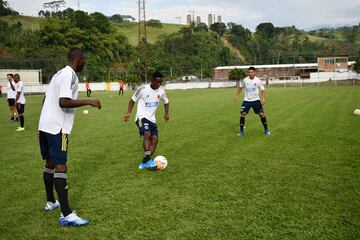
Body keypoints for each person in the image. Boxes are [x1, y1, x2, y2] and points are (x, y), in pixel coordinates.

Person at [38, 48, 101, 226]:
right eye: (84, 60)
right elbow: (63, 101)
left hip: (46, 125)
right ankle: (66, 214)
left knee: (49, 163)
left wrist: (41, 125)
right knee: (60, 166)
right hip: (59, 128)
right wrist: (89, 101)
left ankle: (51, 202)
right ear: (79, 59)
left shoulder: (58, 74)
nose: (84, 63)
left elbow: (46, 99)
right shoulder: (70, 75)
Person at [123, 71, 169, 169]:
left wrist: (166, 113)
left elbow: (166, 102)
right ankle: (149, 159)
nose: (159, 84)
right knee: (147, 134)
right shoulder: (142, 89)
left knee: (155, 140)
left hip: (152, 119)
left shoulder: (161, 91)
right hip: (141, 117)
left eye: (160, 82)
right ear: (152, 80)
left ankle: (144, 162)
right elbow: (132, 100)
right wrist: (129, 112)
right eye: (157, 82)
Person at [234, 66, 270, 136]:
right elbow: (240, 87)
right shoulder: (245, 80)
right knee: (243, 114)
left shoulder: (258, 80)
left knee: (261, 114)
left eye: (251, 72)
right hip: (247, 101)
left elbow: (263, 90)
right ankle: (241, 131)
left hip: (256, 100)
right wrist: (237, 96)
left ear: (254, 73)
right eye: (249, 72)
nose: (250, 73)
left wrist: (263, 98)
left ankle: (266, 129)